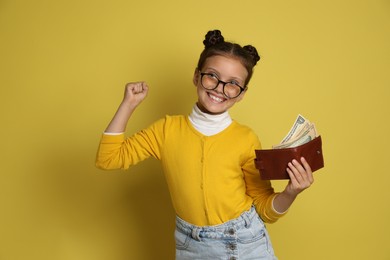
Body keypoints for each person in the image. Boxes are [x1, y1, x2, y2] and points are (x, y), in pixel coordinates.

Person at [96, 29, 314, 260]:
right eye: (212, 75)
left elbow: (265, 210)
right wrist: (128, 105)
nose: (220, 88)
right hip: (191, 246)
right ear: (196, 76)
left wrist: (292, 192)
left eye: (233, 84)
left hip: (245, 242)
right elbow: (108, 158)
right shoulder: (165, 130)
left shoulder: (246, 138)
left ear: (241, 94)